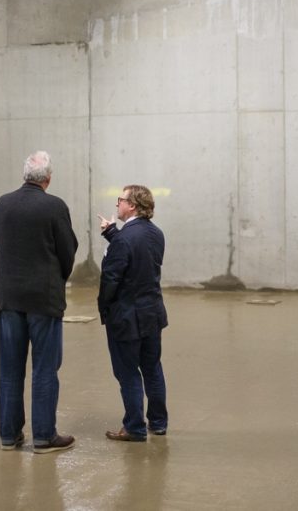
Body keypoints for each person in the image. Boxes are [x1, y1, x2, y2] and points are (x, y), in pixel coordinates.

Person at [0, 150, 79, 454]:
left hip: (9, 299)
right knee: (44, 369)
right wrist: (57, 278)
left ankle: (8, 435)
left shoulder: (2, 204)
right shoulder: (54, 207)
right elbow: (67, 251)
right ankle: (43, 437)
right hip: (44, 299)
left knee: (10, 370)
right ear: (48, 179)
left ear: (24, 175)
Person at [97, 184, 168, 442]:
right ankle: (158, 423)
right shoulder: (156, 234)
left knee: (127, 372)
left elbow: (112, 279)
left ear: (132, 205)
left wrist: (104, 307)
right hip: (152, 314)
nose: (117, 204)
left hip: (126, 317)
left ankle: (135, 427)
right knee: (152, 367)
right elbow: (136, 256)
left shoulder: (125, 238)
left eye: (121, 200)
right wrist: (111, 234)